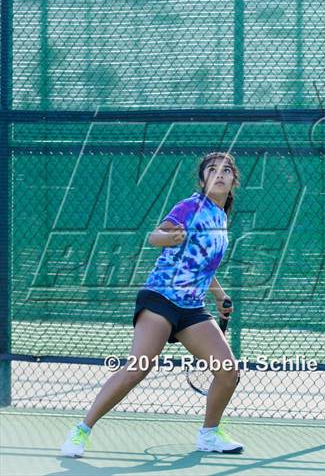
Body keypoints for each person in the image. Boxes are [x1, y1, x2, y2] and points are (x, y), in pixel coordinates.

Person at [61, 151, 244, 456]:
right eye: (212, 170)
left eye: (226, 170)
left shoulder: (221, 217)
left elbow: (203, 265)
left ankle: (209, 435)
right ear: (202, 181)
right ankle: (81, 431)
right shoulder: (191, 206)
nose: (220, 174)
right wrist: (168, 238)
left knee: (228, 371)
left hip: (191, 308)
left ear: (234, 180)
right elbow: (154, 236)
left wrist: (218, 295)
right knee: (138, 368)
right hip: (160, 297)